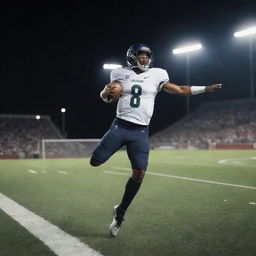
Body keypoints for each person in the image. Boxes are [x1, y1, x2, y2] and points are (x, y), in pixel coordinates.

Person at [90, 43, 222, 237]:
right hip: (120, 127)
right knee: (95, 161)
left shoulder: (157, 74)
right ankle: (118, 207)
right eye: (141, 56)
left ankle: (120, 212)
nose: (144, 59)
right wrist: (105, 92)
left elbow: (180, 89)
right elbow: (106, 97)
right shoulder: (118, 73)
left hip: (140, 133)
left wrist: (205, 89)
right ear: (132, 57)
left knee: (140, 173)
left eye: (146, 56)